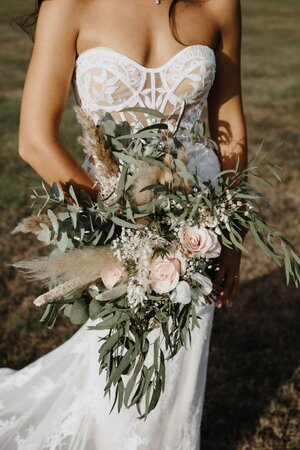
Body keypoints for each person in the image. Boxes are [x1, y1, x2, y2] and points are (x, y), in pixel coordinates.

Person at [0, 0, 247, 448]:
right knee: (118, 359)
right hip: (114, 228)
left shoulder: (219, 4)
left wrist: (232, 233)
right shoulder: (69, 5)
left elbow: (229, 124)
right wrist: (120, 221)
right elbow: (34, 140)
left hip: (202, 222)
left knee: (179, 363)